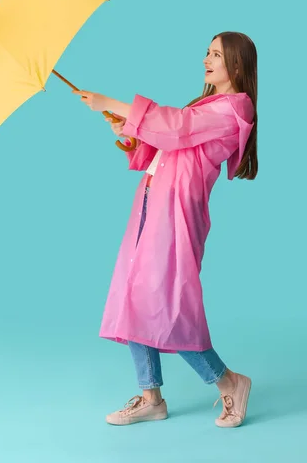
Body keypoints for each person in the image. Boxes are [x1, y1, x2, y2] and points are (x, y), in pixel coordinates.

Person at [72, 31, 258, 428]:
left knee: (169, 303)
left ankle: (229, 382)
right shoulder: (207, 104)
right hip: (151, 201)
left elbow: (177, 127)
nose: (207, 60)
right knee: (134, 293)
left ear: (238, 66)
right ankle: (150, 395)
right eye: (206, 52)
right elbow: (170, 144)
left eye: (217, 55)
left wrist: (111, 102)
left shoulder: (236, 107)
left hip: (176, 212)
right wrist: (129, 133)